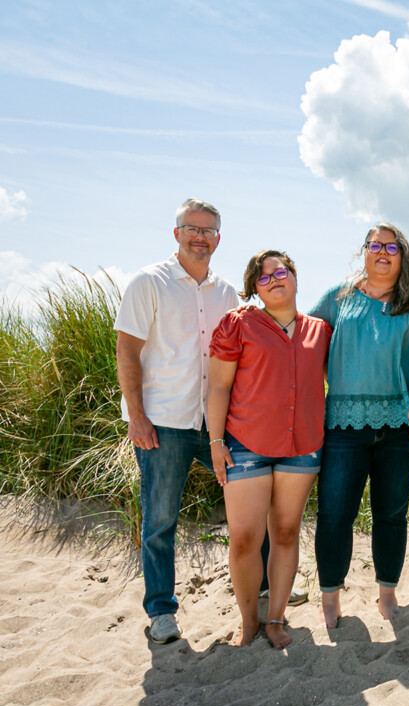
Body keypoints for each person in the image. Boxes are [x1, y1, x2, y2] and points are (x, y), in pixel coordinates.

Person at [115, 198, 242, 644]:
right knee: (161, 521)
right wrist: (137, 416)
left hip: (216, 427)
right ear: (176, 234)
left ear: (218, 239)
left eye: (208, 231)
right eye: (192, 228)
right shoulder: (149, 283)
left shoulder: (228, 294)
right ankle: (161, 612)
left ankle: (263, 589)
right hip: (163, 422)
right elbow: (127, 352)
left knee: (250, 503)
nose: (200, 237)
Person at [309, 224, 409, 629]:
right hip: (342, 427)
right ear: (364, 251)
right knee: (334, 514)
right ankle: (330, 597)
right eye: (375, 245)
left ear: (404, 255)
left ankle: (387, 594)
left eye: (392, 246)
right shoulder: (338, 297)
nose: (383, 252)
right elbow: (303, 343)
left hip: (400, 428)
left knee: (391, 515)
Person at [207, 251, 331, 648]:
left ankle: (276, 619)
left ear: (295, 277)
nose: (274, 279)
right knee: (244, 537)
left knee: (286, 531)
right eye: (264, 277)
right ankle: (248, 622)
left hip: (302, 446)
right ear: (253, 288)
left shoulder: (320, 330)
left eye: (282, 271)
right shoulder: (238, 324)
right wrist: (215, 442)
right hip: (246, 444)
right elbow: (219, 387)